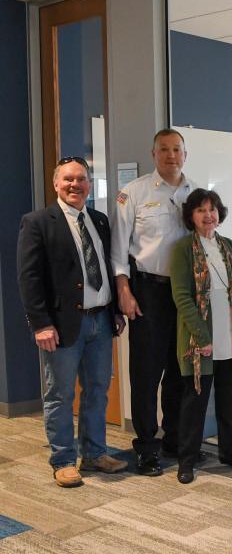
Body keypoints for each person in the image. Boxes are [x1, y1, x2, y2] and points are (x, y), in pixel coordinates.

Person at [16, 157, 128, 487]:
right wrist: (40, 323)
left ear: (89, 185)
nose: (74, 185)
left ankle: (94, 454)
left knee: (98, 391)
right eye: (68, 179)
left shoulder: (99, 220)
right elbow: (29, 278)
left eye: (81, 179)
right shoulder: (37, 222)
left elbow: (105, 269)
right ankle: (63, 459)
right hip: (62, 325)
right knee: (60, 395)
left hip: (101, 322)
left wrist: (116, 312)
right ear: (55, 184)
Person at [111, 128, 197, 476]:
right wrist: (124, 291)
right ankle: (147, 447)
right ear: (153, 153)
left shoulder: (196, 193)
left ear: (184, 154)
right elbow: (118, 249)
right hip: (148, 291)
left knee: (179, 372)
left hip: (186, 293)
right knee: (146, 373)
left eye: (177, 149)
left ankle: (175, 441)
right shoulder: (134, 193)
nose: (171, 155)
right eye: (164, 149)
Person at [170, 188, 232, 484]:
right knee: (194, 404)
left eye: (212, 209)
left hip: (230, 336)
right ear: (191, 216)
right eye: (200, 210)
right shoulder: (183, 248)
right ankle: (187, 459)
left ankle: (229, 452)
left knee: (226, 399)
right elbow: (182, 297)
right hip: (200, 341)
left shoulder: (229, 246)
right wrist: (201, 337)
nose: (208, 215)